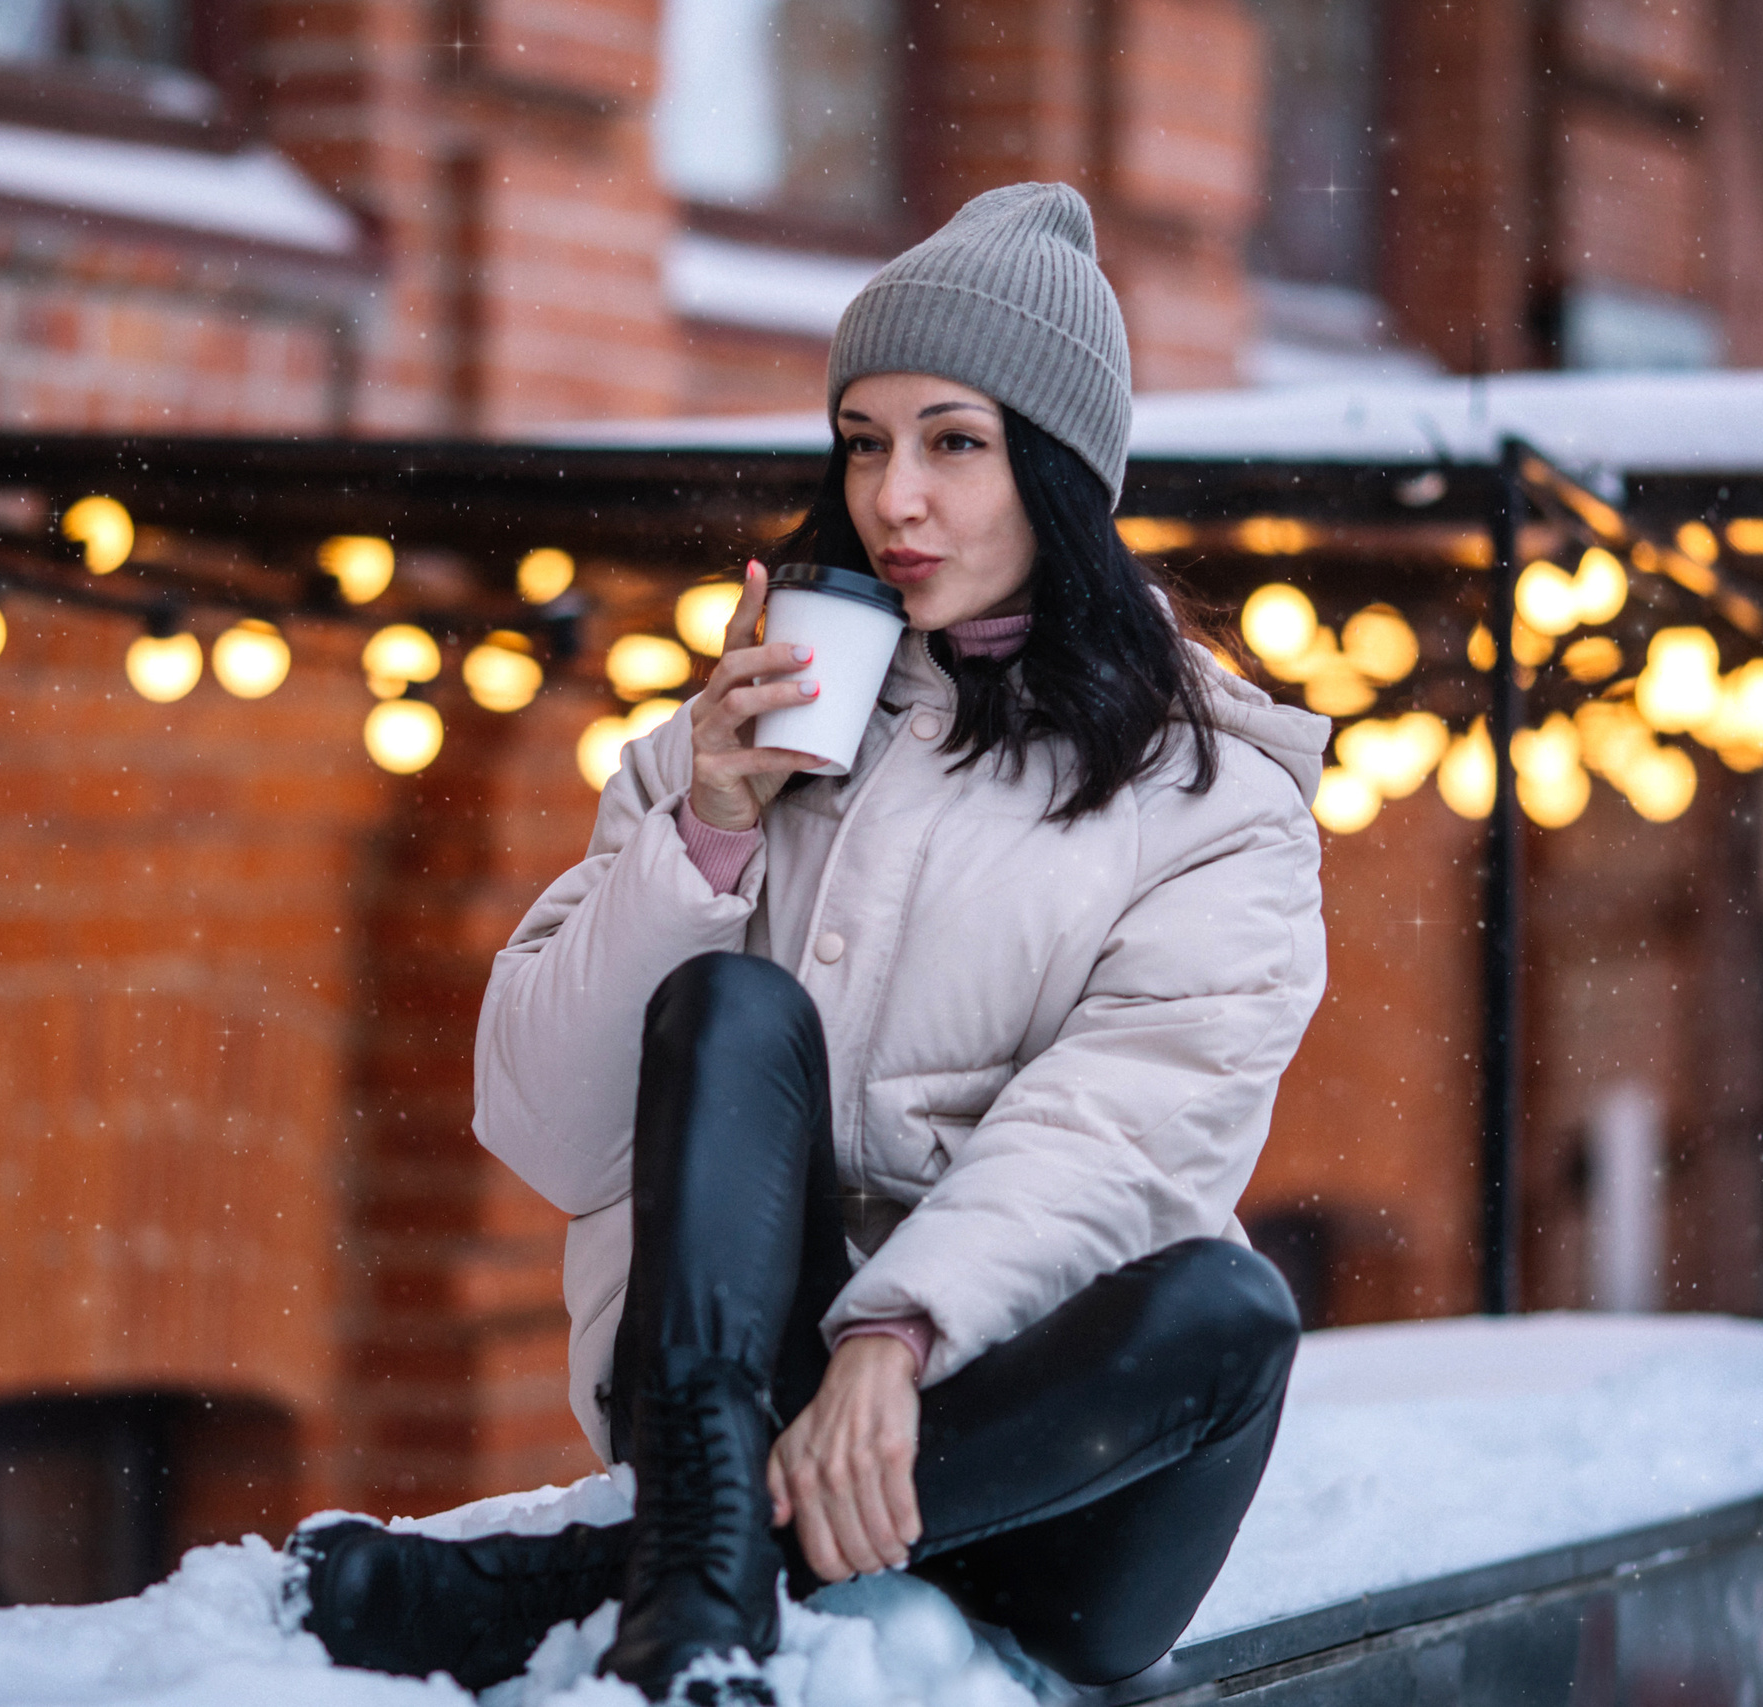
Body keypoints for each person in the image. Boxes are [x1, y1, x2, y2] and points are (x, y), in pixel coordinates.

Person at [290, 182, 1330, 1701]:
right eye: (862, 442)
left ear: (1059, 471)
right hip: (731, 1401)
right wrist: (708, 830)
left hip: (1043, 1467)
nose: (894, 498)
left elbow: (1120, 1133)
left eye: (954, 443)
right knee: (730, 1005)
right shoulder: (725, 745)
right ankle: (707, 1553)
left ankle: (641, 1578)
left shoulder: (1215, 801)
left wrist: (898, 1341)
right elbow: (546, 1131)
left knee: (1229, 1314)